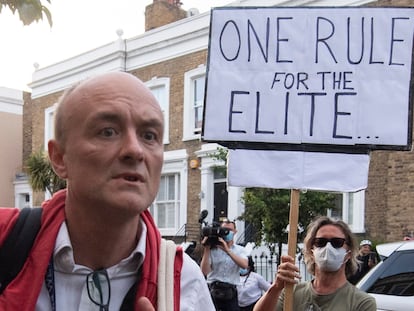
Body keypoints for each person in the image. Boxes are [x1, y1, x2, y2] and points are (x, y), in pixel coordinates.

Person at [0, 72, 214, 310]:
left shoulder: (184, 282)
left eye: (149, 135)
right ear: (59, 158)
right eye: (108, 131)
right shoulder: (6, 242)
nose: (135, 150)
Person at [254, 216, 376, 311]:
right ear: (311, 251)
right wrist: (276, 288)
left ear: (348, 253)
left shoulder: (361, 302)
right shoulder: (292, 293)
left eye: (337, 242)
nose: (328, 247)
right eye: (320, 242)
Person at [200, 219, 249, 311]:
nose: (227, 232)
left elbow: (244, 265)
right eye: (224, 229)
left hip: (230, 292)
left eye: (230, 230)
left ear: (235, 232)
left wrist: (228, 251)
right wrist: (207, 248)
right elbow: (204, 271)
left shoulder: (240, 250)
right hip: (213, 289)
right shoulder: (213, 250)